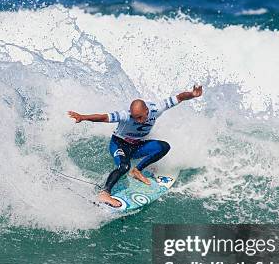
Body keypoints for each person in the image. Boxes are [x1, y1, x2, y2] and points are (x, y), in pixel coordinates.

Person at [67, 85, 203, 207]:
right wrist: (83, 117)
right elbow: (103, 117)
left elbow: (179, 97)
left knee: (163, 146)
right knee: (124, 166)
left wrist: (192, 94)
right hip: (119, 144)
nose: (137, 120)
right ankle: (104, 193)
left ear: (147, 111)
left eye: (140, 117)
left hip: (137, 146)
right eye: (134, 117)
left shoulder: (157, 109)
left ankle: (137, 170)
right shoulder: (125, 115)